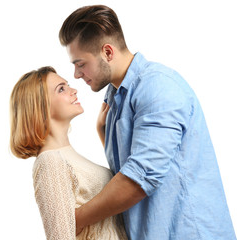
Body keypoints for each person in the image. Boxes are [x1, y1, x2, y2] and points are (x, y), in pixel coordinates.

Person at [58, 4, 236, 240]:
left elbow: (137, 181)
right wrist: (103, 134)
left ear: (108, 52)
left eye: (80, 64)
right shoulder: (115, 99)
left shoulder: (157, 86)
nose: (76, 75)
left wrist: (76, 219)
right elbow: (131, 170)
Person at [9, 66, 127, 240]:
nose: (74, 90)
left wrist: (102, 133)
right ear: (40, 106)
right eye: (61, 89)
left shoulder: (64, 156)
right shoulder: (50, 162)